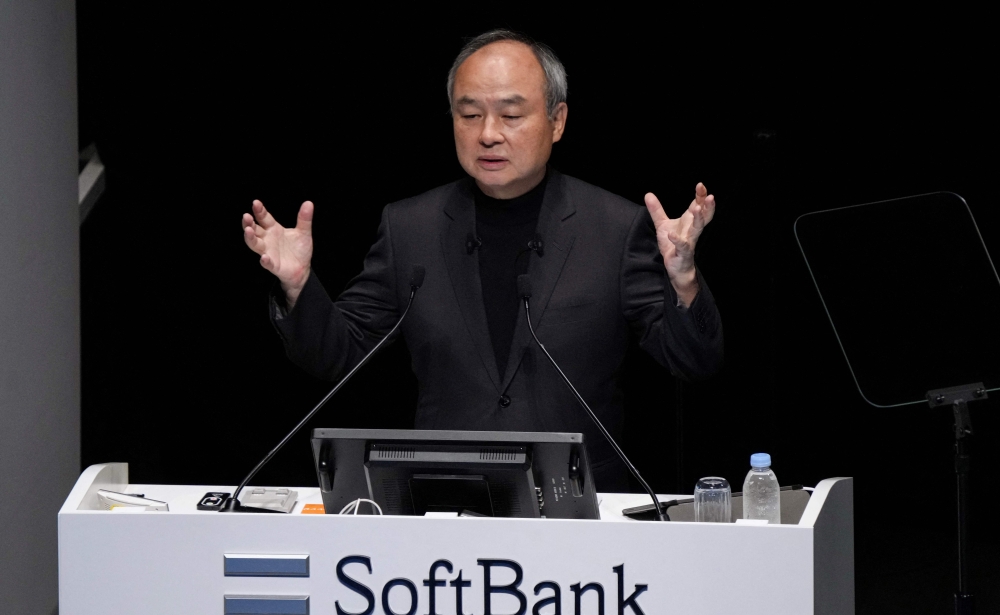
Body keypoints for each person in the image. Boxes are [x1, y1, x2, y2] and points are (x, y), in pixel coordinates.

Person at [241, 29, 723, 491]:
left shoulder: (614, 227)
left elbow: (694, 362)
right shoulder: (410, 227)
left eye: (511, 115)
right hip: (441, 503)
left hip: (577, 507)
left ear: (557, 121)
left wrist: (683, 279)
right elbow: (337, 355)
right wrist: (298, 287)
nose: (488, 134)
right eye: (469, 115)